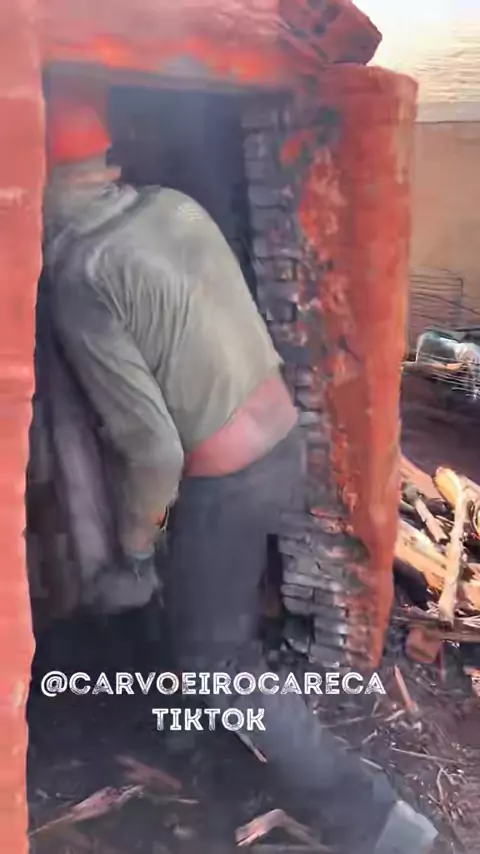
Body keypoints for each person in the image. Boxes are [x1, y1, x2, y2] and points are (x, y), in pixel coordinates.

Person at [42, 71, 438, 854]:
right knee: (210, 629)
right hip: (281, 442)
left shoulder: (83, 269)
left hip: (224, 480)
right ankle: (199, 738)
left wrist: (133, 550)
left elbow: (153, 447)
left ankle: (377, 821)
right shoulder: (173, 207)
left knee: (218, 660)